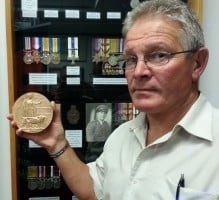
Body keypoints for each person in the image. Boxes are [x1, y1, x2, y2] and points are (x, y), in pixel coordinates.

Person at [7, 0, 219, 199]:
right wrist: (56, 144)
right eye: (131, 59)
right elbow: (94, 190)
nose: (139, 72)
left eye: (159, 55)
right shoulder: (120, 136)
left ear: (197, 63)